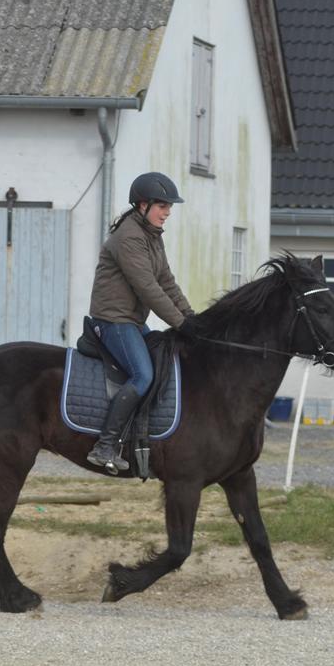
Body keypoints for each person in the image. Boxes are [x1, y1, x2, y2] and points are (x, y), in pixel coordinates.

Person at [86, 171, 199, 474]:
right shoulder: (129, 238)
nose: (168, 212)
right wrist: (179, 323)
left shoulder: (152, 237)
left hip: (132, 323)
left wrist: (193, 320)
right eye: (162, 205)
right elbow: (148, 289)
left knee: (163, 367)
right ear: (142, 205)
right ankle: (105, 446)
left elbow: (167, 283)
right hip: (113, 321)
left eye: (169, 206)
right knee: (143, 376)